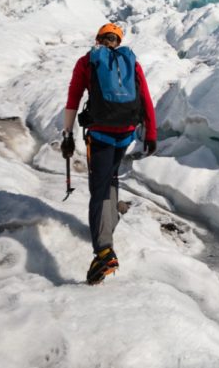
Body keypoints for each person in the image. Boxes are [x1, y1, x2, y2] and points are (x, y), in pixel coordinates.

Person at [60, 22, 157, 285]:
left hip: (100, 134)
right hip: (125, 133)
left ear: (98, 39)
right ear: (118, 41)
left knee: (99, 187)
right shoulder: (130, 62)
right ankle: (107, 228)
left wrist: (67, 134)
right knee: (111, 177)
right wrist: (151, 132)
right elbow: (145, 98)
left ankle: (103, 250)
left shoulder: (88, 61)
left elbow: (73, 98)